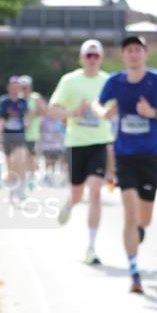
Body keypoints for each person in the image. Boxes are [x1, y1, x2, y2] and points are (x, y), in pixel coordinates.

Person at [92, 34, 157, 295]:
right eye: (129, 50)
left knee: (144, 218)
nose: (133, 54)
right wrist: (102, 112)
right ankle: (134, 271)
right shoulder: (115, 82)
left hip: (150, 155)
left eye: (138, 50)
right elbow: (97, 102)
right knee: (128, 211)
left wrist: (153, 114)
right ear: (124, 56)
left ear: (145, 54)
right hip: (124, 156)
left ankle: (139, 228)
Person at [47, 40, 114, 265]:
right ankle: (69, 203)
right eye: (88, 55)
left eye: (96, 56)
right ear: (81, 58)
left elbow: (114, 111)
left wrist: (110, 112)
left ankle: (91, 247)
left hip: (99, 142)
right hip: (75, 143)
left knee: (95, 191)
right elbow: (52, 109)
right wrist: (74, 112)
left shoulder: (108, 81)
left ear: (101, 58)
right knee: (77, 195)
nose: (92, 59)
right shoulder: (69, 81)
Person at [0, 76, 28, 198]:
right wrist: (2, 122)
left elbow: (26, 115)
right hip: (7, 134)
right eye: (13, 86)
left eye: (17, 87)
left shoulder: (23, 101)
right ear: (9, 87)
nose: (15, 89)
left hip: (19, 134)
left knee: (20, 160)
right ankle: (11, 187)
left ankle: (21, 188)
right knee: (10, 163)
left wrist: (27, 122)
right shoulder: (3, 101)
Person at [19, 75, 46, 190]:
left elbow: (44, 111)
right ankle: (23, 181)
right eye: (22, 87)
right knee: (21, 158)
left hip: (33, 134)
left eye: (26, 87)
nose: (24, 89)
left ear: (30, 86)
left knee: (31, 158)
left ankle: (31, 177)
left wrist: (32, 113)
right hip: (19, 133)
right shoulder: (17, 98)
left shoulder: (35, 97)